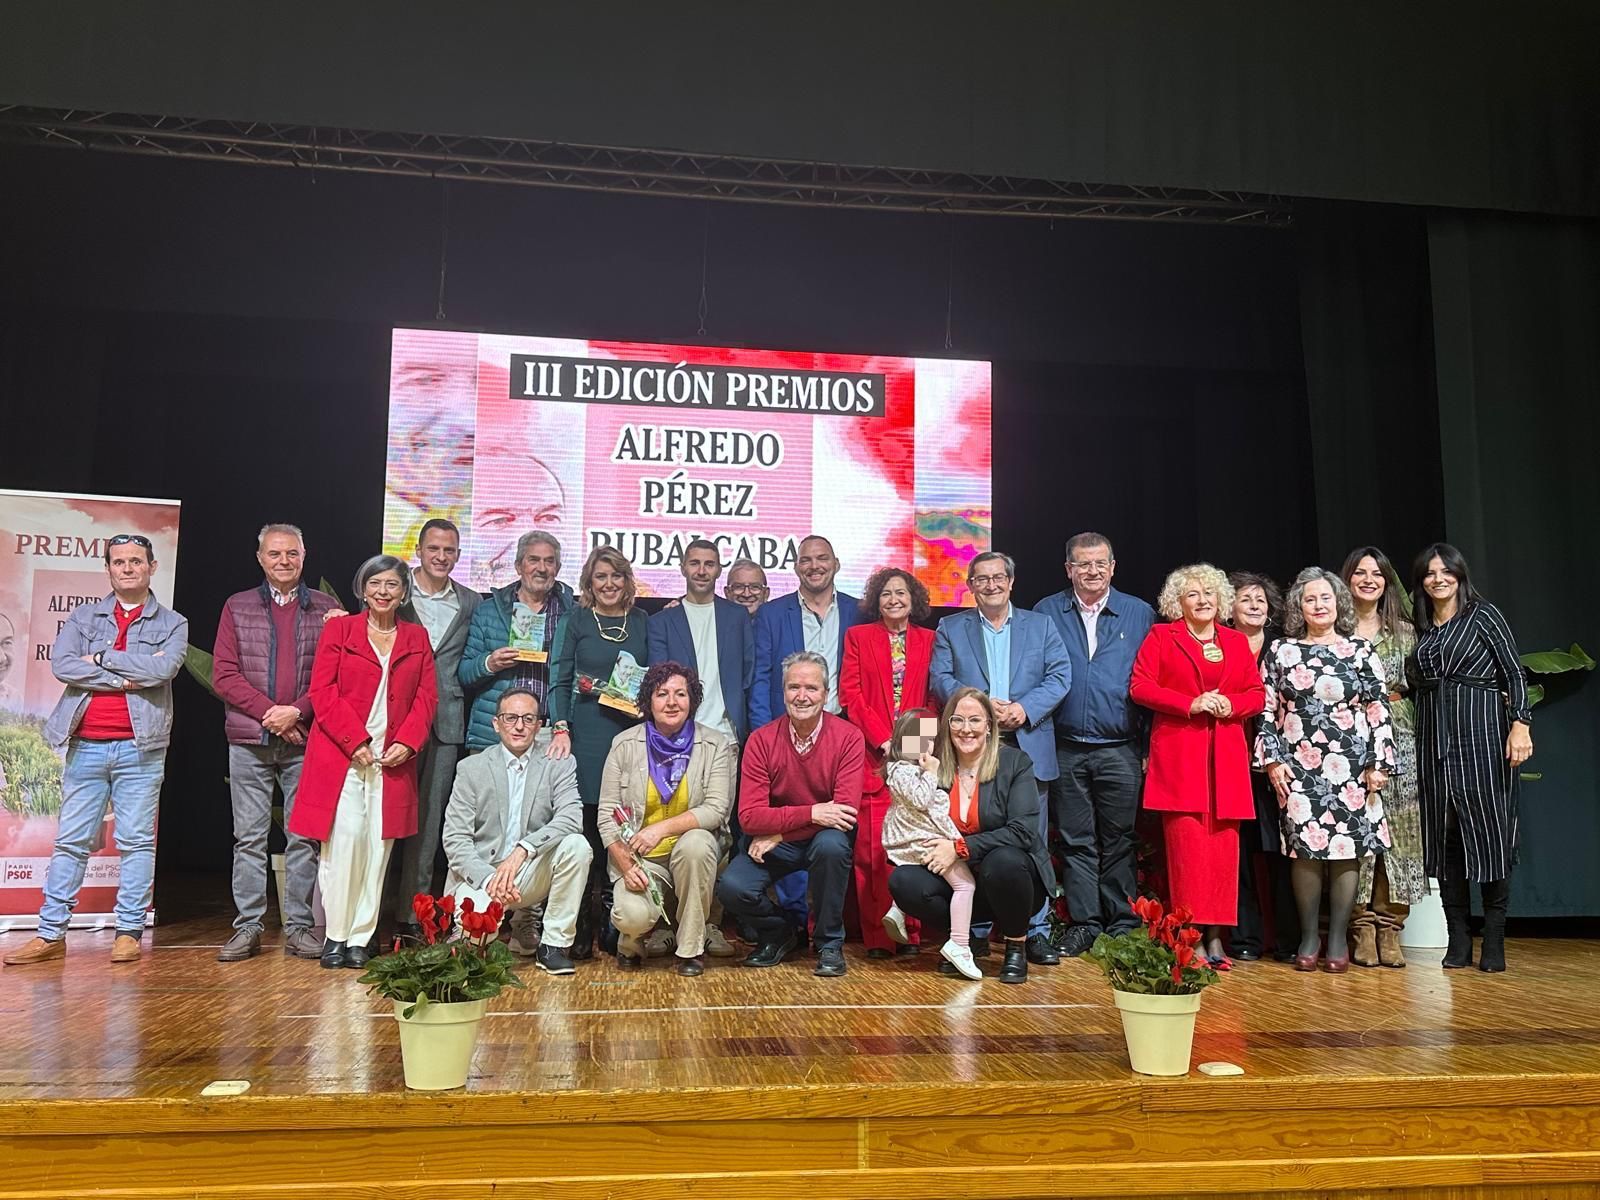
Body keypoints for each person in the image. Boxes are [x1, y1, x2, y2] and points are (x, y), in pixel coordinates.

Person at [4, 534, 188, 967]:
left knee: (137, 843)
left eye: (136, 562)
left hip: (140, 749)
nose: (127, 568)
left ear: (151, 567)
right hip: (85, 745)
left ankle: (127, 932)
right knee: (70, 842)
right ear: (108, 569)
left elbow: (164, 668)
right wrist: (126, 673)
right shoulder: (84, 616)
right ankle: (51, 935)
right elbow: (64, 665)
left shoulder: (173, 623)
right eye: (119, 562)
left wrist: (101, 659)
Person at [287, 555, 438, 970]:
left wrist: (407, 742)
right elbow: (323, 691)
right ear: (362, 589)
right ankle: (336, 935)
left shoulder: (417, 638)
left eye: (392, 584)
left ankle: (361, 937)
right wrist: (355, 743)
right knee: (344, 844)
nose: (383, 591)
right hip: (343, 756)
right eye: (375, 584)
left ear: (403, 591)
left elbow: (426, 698)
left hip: (391, 761)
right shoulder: (340, 629)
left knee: (378, 848)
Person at [930, 550, 1069, 966]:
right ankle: (969, 933)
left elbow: (1060, 675)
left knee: (1030, 841)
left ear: (1011, 582)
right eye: (981, 579)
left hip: (1025, 742)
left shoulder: (1041, 626)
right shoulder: (951, 628)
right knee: (968, 832)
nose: (990, 585)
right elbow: (941, 678)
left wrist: (1024, 708)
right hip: (970, 744)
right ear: (970, 586)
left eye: (997, 578)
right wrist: (979, 708)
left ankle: (1035, 932)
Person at [211, 523, 339, 963]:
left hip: (306, 742)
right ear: (260, 557)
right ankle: (247, 928)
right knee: (248, 839)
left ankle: (300, 928)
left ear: (304, 556)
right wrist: (274, 714)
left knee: (303, 837)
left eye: (292, 554)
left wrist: (297, 712)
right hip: (249, 742)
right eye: (275, 554)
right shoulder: (237, 605)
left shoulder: (326, 609)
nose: (283, 562)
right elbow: (224, 674)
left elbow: (334, 677)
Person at [1256, 567, 1394, 973]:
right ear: (1300, 607)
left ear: (1339, 604)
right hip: (1299, 764)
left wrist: (1378, 763)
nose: (1319, 605)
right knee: (1305, 849)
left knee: (1346, 850)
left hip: (1351, 765)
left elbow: (1378, 709)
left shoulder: (1360, 651)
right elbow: (1266, 709)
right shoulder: (1282, 651)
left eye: (1326, 598)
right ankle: (1309, 935)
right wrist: (1273, 761)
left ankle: (1337, 937)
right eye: (1310, 599)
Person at [1130, 564, 1265, 968]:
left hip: (1226, 762)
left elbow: (1256, 694)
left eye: (1209, 593)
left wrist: (1232, 704)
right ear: (1178, 602)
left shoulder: (1236, 642)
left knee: (1223, 856)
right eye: (1193, 594)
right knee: (1188, 856)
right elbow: (1140, 686)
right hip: (1180, 761)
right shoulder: (1161, 636)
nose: (1203, 600)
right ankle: (1189, 939)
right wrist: (1191, 703)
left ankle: (1217, 938)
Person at [1033, 532, 1156, 957]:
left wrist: (1146, 747)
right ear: (1068, 569)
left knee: (1120, 839)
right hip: (1065, 746)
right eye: (1083, 564)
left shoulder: (1140, 613)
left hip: (1120, 747)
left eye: (1100, 563)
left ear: (1113, 567)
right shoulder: (1047, 611)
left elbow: (1151, 681)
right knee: (1076, 839)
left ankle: (1122, 922)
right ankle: (1085, 923)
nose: (1092, 572)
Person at [1411, 542, 1532, 973]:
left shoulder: (1483, 615)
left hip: (1481, 740)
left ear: (1460, 575)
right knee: (1446, 842)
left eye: (1446, 571)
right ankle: (1458, 937)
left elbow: (1513, 671)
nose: (1437, 579)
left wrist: (1520, 723)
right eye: (1429, 573)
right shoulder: (1422, 628)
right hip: (1433, 744)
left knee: (1490, 834)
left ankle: (1494, 937)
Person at [886, 688, 1052, 985]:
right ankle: (962, 944)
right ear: (946, 726)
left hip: (1012, 880)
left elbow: (1023, 832)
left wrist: (960, 847)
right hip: (962, 881)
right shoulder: (934, 766)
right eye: (957, 720)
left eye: (975, 720)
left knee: (1003, 862)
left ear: (989, 725)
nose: (966, 729)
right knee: (903, 881)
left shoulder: (1014, 762)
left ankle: (1016, 946)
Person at [716, 651, 864, 977]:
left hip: (805, 838)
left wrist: (782, 831)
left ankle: (829, 945)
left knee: (832, 845)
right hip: (779, 839)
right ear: (782, 692)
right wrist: (813, 812)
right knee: (732, 887)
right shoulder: (761, 740)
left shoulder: (849, 737)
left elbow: (843, 814)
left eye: (811, 688)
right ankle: (781, 931)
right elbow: (751, 818)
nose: (802, 696)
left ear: (826, 694)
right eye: (793, 687)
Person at [440, 686, 590, 976]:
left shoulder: (558, 763)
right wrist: (488, 879)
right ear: (496, 724)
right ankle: (475, 934)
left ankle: (554, 946)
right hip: (482, 876)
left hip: (527, 872)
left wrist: (524, 849)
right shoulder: (471, 768)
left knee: (577, 845)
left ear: (539, 724)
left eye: (528, 718)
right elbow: (455, 840)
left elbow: (572, 817)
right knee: (477, 945)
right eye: (511, 718)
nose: (519, 726)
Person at [599, 661, 737, 976]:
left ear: (693, 701)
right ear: (649, 700)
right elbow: (607, 813)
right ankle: (631, 944)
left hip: (690, 854)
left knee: (698, 843)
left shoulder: (716, 744)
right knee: (631, 915)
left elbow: (716, 809)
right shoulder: (624, 744)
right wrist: (625, 863)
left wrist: (661, 829)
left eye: (680, 694)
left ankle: (690, 949)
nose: (672, 702)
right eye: (662, 694)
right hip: (640, 858)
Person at [549, 545, 650, 958]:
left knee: (623, 825)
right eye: (600, 577)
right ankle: (580, 924)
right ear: (589, 583)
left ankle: (615, 920)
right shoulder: (576, 619)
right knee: (587, 828)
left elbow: (657, 679)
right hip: (586, 736)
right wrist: (560, 726)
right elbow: (558, 678)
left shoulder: (644, 621)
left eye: (616, 576)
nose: (609, 584)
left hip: (631, 736)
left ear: (627, 581)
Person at [391, 518, 482, 939]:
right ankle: (370, 915)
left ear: (459, 556)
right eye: (434, 549)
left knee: (429, 824)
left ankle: (415, 918)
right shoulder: (394, 590)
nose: (441, 557)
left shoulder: (471, 602)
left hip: (445, 725)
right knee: (385, 818)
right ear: (419, 552)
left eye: (449, 551)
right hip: (391, 721)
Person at [839, 565, 936, 958]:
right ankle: (878, 937)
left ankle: (910, 936)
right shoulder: (858, 637)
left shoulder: (931, 639)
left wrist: (913, 746)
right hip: (871, 758)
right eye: (886, 594)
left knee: (912, 849)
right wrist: (884, 740)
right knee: (872, 854)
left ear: (914, 599)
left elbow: (934, 696)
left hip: (917, 757)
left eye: (901, 593)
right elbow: (851, 695)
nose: (894, 599)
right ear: (876, 601)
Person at [1343, 547, 1425, 968]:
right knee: (1355, 830)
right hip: (1345, 736)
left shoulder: (1407, 632)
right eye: (1360, 572)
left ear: (1388, 582)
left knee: (1399, 828)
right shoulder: (1333, 628)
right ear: (1348, 579)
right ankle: (1360, 926)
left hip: (1400, 732)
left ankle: (1390, 926)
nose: (1369, 579)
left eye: (1378, 573)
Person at [1224, 570, 1299, 962]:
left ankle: (1287, 941)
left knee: (1280, 853)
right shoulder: (1217, 645)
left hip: (1279, 766)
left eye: (1260, 600)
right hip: (1231, 761)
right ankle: (1245, 940)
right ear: (1229, 606)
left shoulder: (1284, 648)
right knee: (1240, 854)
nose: (1254, 606)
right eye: (1245, 599)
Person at [878, 711, 980, 979]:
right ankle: (960, 944)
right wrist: (931, 772)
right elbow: (922, 799)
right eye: (917, 739)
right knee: (965, 884)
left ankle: (898, 909)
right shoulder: (901, 770)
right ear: (902, 741)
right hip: (919, 839)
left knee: (922, 874)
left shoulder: (907, 769)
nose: (925, 745)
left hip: (913, 841)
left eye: (929, 739)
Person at [460, 532, 574, 757]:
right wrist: (490, 663)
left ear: (557, 569)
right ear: (518, 566)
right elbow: (465, 673)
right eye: (533, 560)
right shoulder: (488, 610)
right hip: (495, 733)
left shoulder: (573, 615)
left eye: (549, 561)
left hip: (549, 734)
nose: (541, 568)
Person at [647, 539, 754, 743]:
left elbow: (748, 673)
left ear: (719, 570)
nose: (702, 571)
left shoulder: (738, 617)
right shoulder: (661, 622)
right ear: (683, 568)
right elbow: (658, 680)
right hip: (677, 736)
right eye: (695, 563)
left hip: (726, 737)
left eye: (709, 564)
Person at [749, 535, 860, 728]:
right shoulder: (771, 614)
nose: (814, 566)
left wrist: (916, 745)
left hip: (846, 729)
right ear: (796, 567)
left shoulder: (859, 612)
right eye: (806, 560)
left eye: (822, 558)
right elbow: (760, 679)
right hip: (787, 728)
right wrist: (763, 734)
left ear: (836, 564)